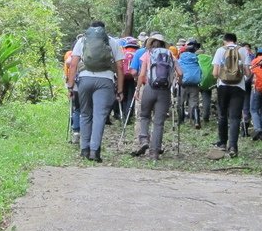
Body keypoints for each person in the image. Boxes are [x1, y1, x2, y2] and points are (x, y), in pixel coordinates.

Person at [66, 21, 125, 163]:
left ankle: (84, 149)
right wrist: (120, 90)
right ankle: (94, 151)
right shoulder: (112, 42)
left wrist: (70, 86)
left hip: (85, 79)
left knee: (85, 114)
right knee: (99, 116)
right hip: (105, 81)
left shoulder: (82, 40)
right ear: (104, 31)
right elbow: (120, 68)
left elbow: (73, 64)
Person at [131, 33, 181, 161]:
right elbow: (180, 73)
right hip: (164, 91)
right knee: (159, 122)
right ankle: (154, 153)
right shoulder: (170, 55)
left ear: (150, 43)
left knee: (144, 115)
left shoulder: (147, 54)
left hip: (149, 88)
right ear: (164, 44)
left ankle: (143, 140)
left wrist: (137, 89)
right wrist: (175, 82)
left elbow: (142, 75)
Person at [212, 33, 250, 158]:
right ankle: (233, 147)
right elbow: (247, 73)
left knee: (222, 115)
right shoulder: (243, 51)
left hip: (223, 86)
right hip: (239, 87)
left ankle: (222, 143)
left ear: (224, 41)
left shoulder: (220, 51)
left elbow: (215, 73)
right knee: (235, 118)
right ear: (235, 41)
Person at [177, 39, 203, 128]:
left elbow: (178, 70)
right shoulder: (197, 58)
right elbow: (201, 70)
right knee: (194, 101)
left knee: (181, 101)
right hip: (195, 82)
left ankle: (181, 120)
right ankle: (196, 121)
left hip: (183, 82)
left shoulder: (181, 58)